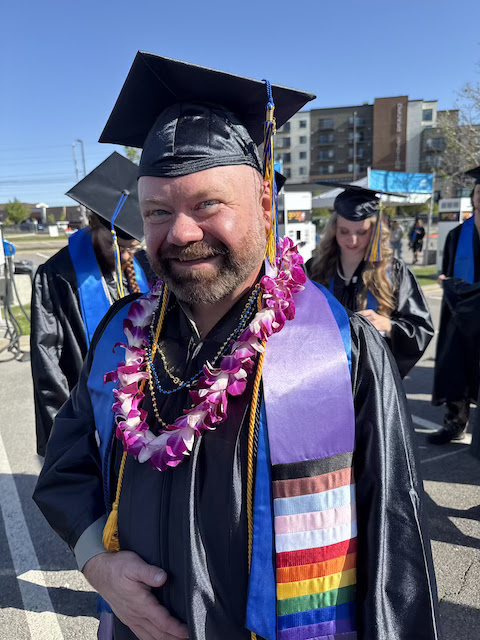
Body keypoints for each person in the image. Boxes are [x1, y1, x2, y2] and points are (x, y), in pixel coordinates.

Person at [34, 52, 440, 640]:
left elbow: (394, 550)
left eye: (207, 204)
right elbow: (67, 469)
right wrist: (96, 561)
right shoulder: (118, 339)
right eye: (157, 211)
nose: (180, 232)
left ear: (265, 206)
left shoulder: (340, 351)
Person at [30, 152, 153, 456]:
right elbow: (48, 365)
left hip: (141, 415)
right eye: (119, 247)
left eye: (133, 248)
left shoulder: (143, 266)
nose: (127, 256)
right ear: (96, 227)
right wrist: (66, 439)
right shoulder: (57, 275)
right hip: (87, 414)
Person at [307, 184, 434, 378]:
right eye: (344, 231)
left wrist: (388, 325)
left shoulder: (393, 271)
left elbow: (420, 328)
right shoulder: (315, 268)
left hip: (373, 378)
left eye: (362, 232)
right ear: (334, 230)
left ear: (374, 231)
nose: (353, 240)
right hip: (324, 374)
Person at [430, 166, 480, 444]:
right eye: (479, 192)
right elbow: (448, 276)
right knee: (457, 368)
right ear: (473, 196)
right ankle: (455, 424)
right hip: (461, 315)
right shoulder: (457, 235)